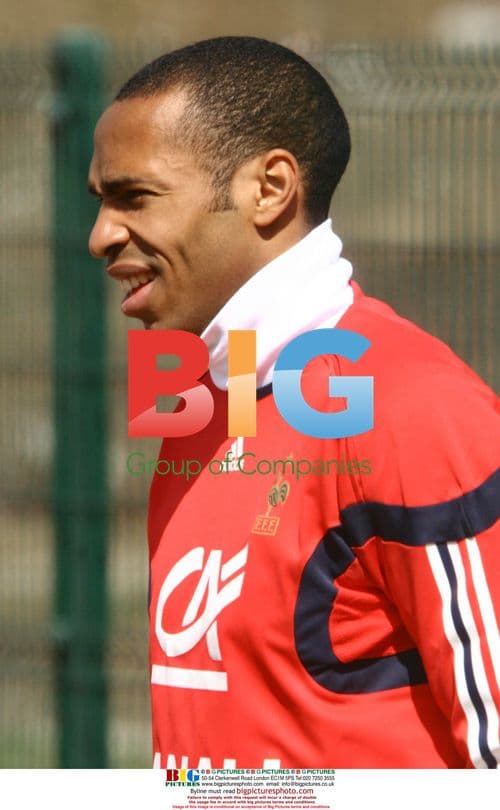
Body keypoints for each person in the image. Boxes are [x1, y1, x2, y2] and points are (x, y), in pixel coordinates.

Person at [88, 36, 500, 769]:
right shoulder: (193, 391)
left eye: (134, 197)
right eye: (101, 202)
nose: (101, 236)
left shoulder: (413, 403)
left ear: (270, 188)